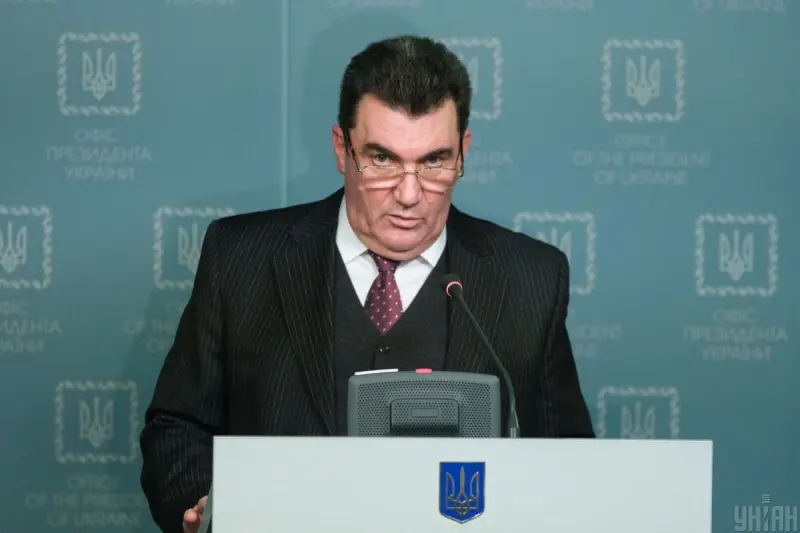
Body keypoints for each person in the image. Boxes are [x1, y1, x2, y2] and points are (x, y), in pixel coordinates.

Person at [139, 35, 595, 533]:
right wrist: (202, 504)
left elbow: (568, 461)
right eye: (382, 159)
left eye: (434, 161)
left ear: (463, 153)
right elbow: (178, 427)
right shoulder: (240, 257)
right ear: (343, 149)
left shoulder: (531, 277)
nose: (409, 193)